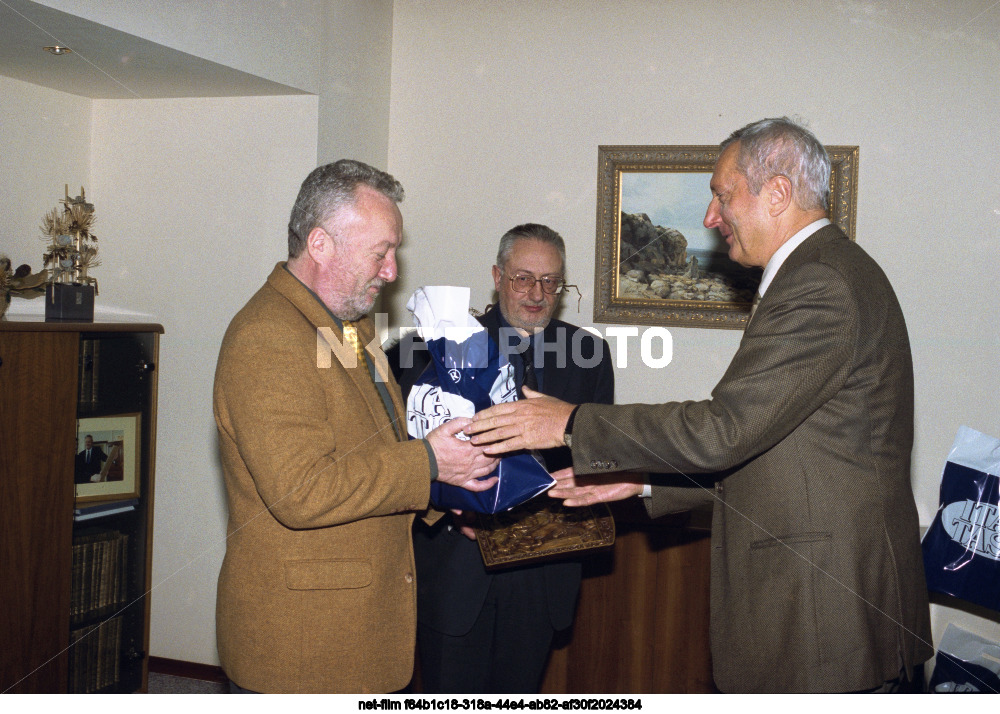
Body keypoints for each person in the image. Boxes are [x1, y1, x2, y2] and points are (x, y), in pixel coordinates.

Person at [466, 118, 933, 693]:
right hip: (822, 615)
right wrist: (641, 484)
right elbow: (776, 453)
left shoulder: (820, 284)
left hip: (824, 621)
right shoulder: (822, 274)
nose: (711, 218)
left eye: (720, 194)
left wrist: (569, 422)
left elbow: (724, 429)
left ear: (778, 193)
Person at [213, 159, 498, 694]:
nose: (392, 271)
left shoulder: (349, 326)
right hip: (303, 648)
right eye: (381, 252)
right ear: (320, 244)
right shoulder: (267, 336)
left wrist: (445, 487)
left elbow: (381, 445)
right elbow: (302, 490)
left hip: (358, 631)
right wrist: (431, 463)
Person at [388, 224, 614, 693]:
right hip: (456, 569)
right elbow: (403, 450)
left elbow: (600, 455)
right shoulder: (433, 343)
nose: (537, 294)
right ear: (497, 276)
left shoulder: (589, 353)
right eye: (523, 278)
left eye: (551, 281)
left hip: (543, 570)